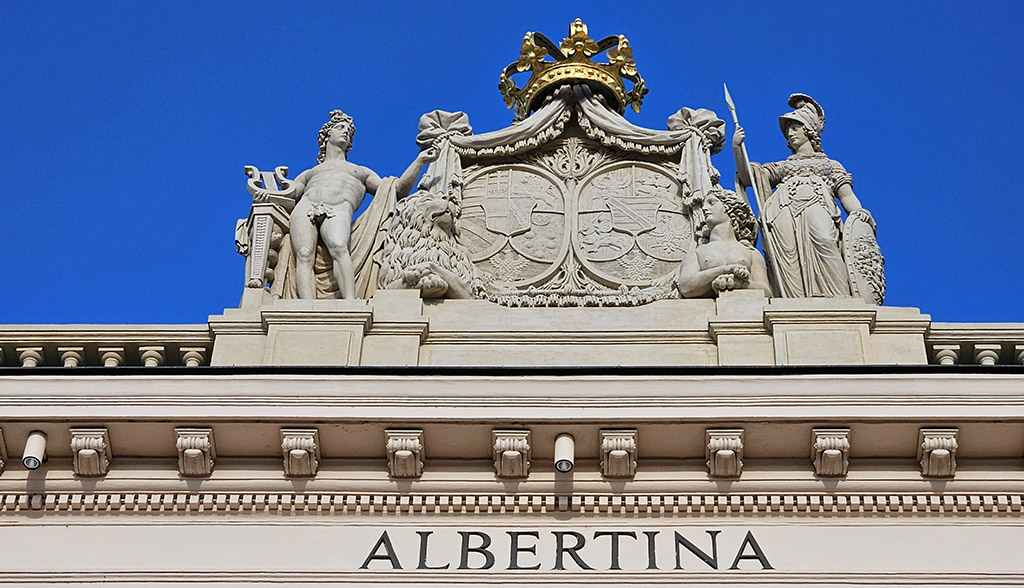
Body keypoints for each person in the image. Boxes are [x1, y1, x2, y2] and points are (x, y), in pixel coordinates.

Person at [284, 110, 437, 299]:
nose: (345, 131)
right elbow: (290, 193)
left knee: (339, 247)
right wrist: (266, 192)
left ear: (350, 144)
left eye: (349, 131)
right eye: (340, 127)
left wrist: (419, 161)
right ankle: (306, 307)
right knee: (304, 254)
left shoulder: (360, 172)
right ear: (327, 135)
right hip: (306, 208)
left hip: (338, 209)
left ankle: (350, 302)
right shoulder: (309, 173)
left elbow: (395, 189)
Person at [733, 94, 870, 298]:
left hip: (817, 205)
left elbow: (846, 194)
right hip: (783, 211)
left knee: (825, 241)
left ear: (809, 130)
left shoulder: (831, 165)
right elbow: (749, 177)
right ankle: (793, 300)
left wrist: (858, 214)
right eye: (787, 130)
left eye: (795, 127)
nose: (789, 133)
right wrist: (737, 148)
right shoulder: (783, 166)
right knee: (788, 254)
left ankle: (839, 298)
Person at [677, 189, 771, 298]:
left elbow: (766, 291)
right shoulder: (697, 253)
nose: (704, 208)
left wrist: (740, 284)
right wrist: (724, 270)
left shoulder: (751, 253)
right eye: (704, 205)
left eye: (711, 203)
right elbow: (686, 286)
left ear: (729, 207)